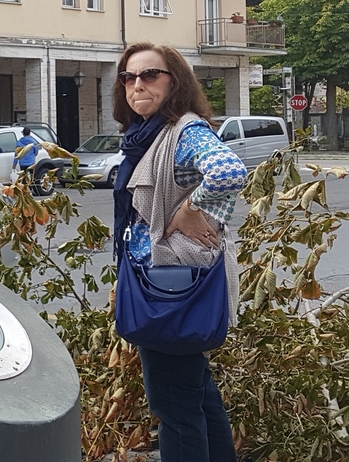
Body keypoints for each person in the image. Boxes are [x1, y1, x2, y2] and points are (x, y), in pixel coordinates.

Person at [111, 42, 246, 462]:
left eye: (150, 75)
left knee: (174, 410)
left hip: (170, 287)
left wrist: (184, 212)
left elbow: (228, 171)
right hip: (163, 281)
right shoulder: (146, 136)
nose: (138, 85)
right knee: (197, 394)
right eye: (129, 77)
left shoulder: (185, 130)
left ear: (175, 82)